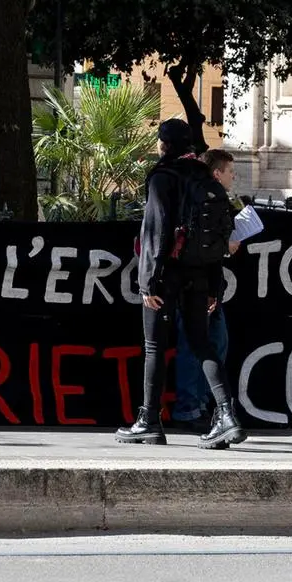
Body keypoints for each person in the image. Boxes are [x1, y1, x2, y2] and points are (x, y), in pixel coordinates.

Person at [115, 119, 245, 449]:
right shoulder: (205, 177)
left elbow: (156, 230)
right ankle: (226, 416)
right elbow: (218, 236)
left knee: (155, 346)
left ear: (164, 144)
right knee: (202, 343)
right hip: (201, 274)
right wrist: (214, 287)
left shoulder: (163, 176)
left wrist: (148, 281)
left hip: (166, 274)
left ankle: (149, 420)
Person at [172, 149, 242, 430]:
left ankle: (200, 403)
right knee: (197, 347)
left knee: (215, 344)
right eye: (230, 172)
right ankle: (190, 407)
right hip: (196, 286)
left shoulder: (209, 198)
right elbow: (202, 247)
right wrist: (226, 246)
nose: (233, 177)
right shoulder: (205, 199)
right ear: (216, 173)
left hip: (208, 285)